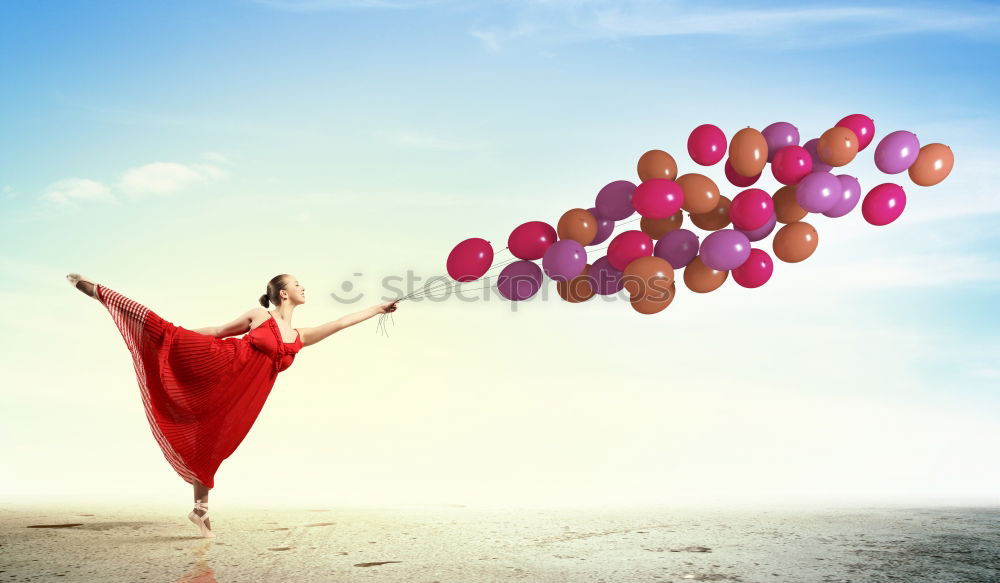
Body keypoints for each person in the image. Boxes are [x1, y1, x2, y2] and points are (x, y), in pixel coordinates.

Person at [65, 273, 398, 538]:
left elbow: (341, 322)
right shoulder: (259, 316)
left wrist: (378, 309)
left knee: (211, 446)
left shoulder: (299, 336)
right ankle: (98, 291)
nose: (303, 287)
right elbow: (219, 331)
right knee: (162, 330)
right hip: (220, 366)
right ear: (283, 293)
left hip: (241, 399)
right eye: (297, 284)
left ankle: (200, 510)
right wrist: (172, 341)